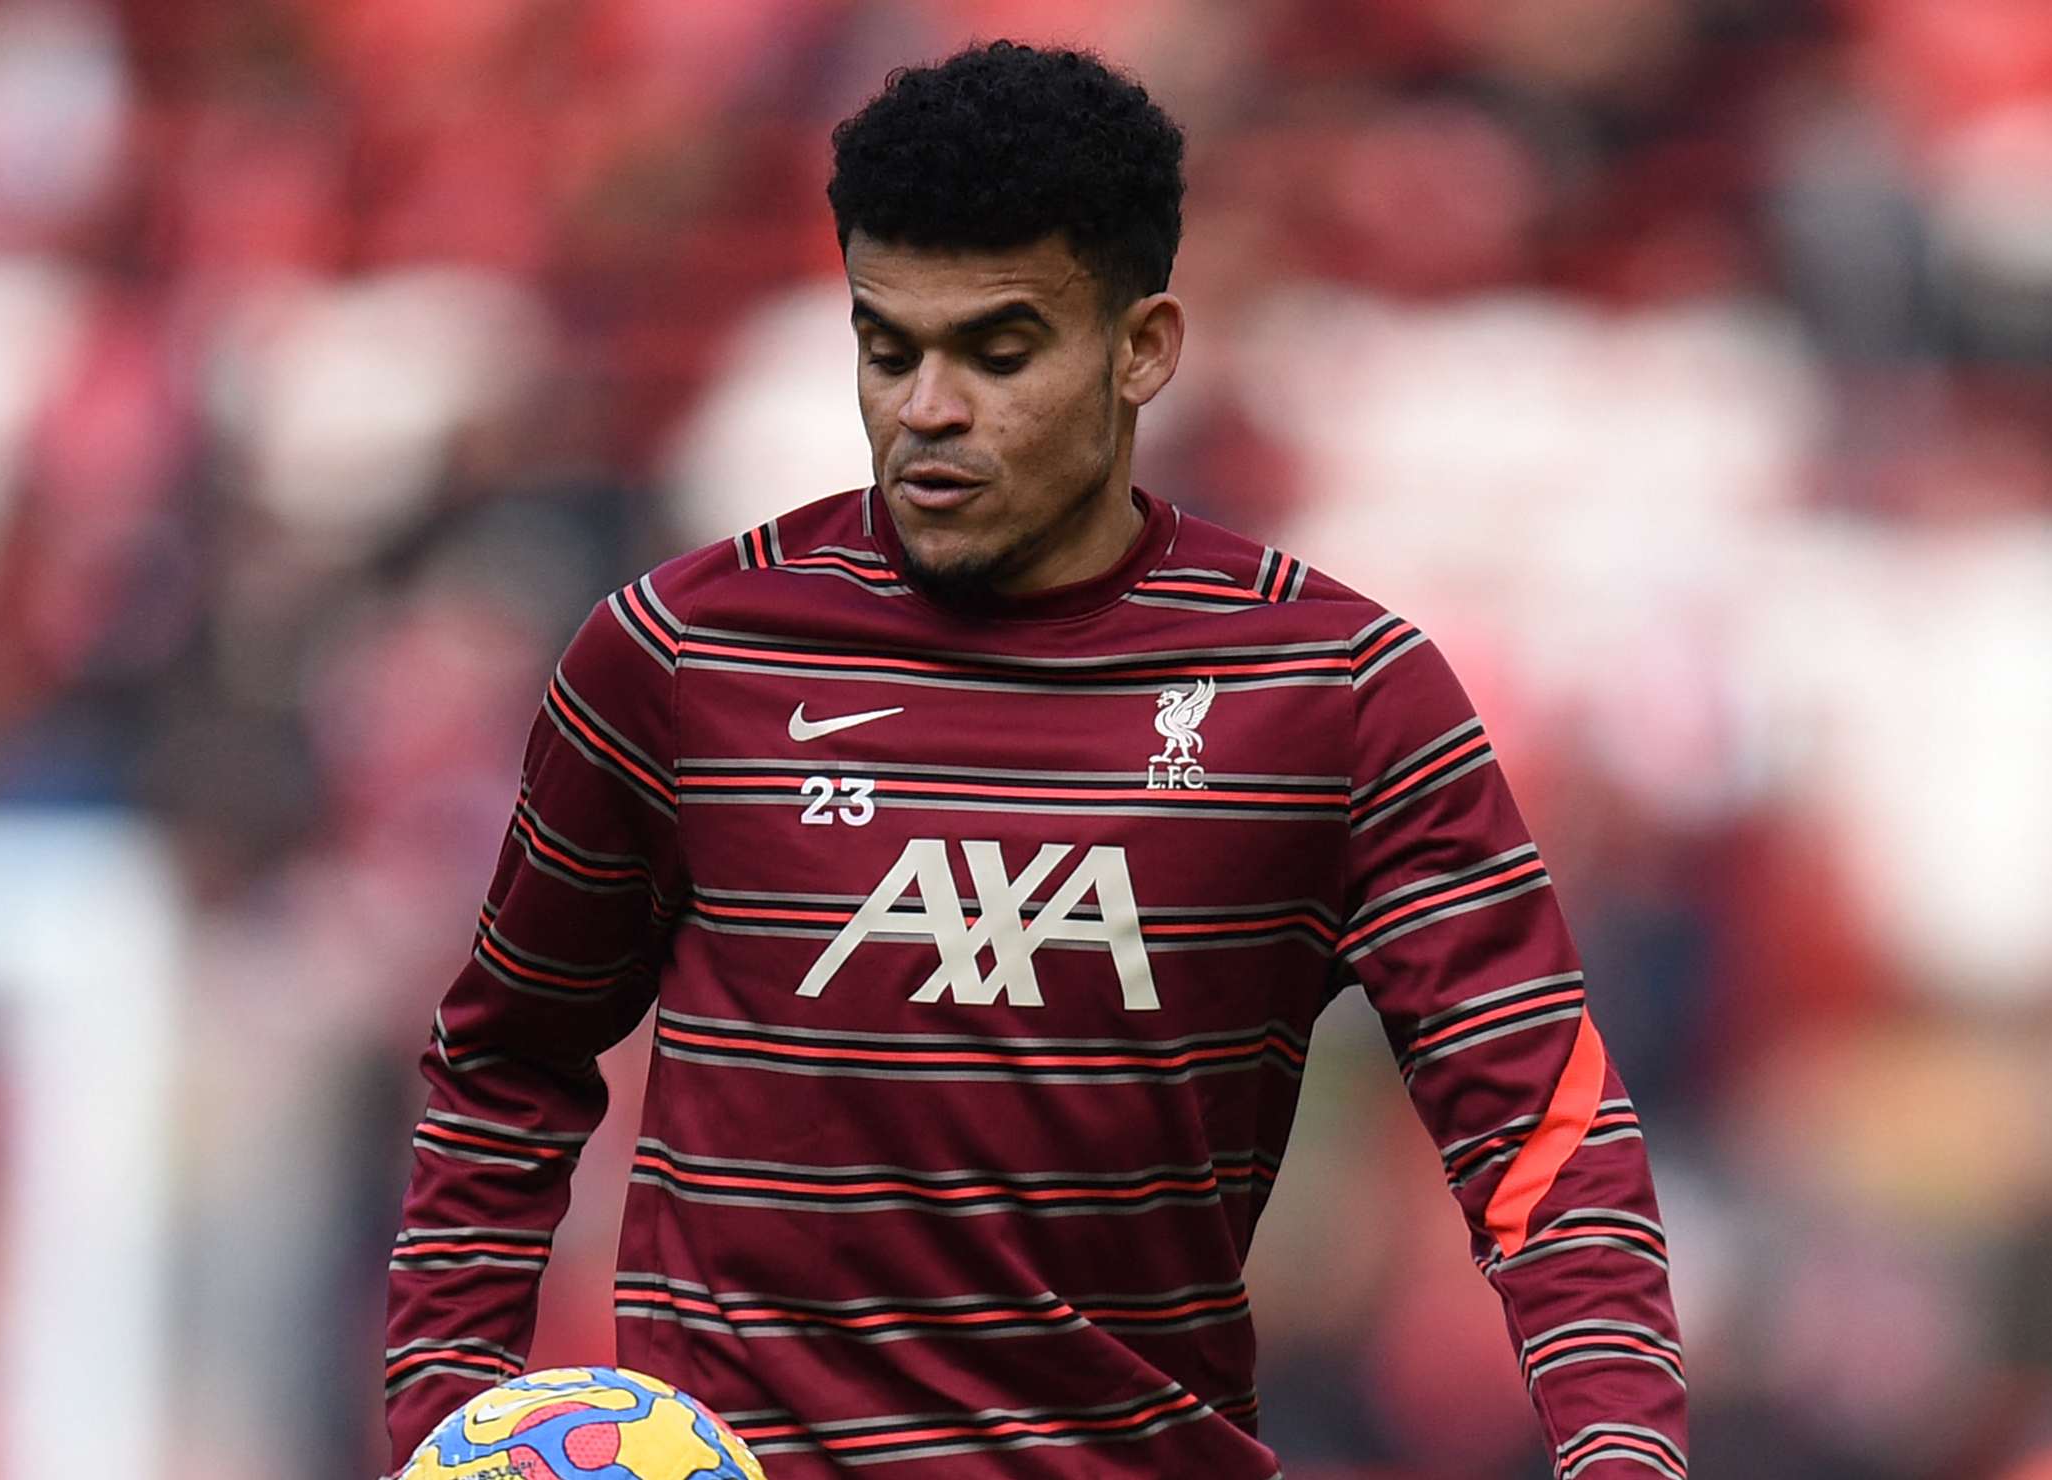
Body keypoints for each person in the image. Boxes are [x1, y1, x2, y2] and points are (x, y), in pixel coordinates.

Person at [384, 40, 1686, 1480]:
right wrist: (445, 1420)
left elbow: (1540, 1127)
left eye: (999, 352)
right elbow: (506, 1064)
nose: (929, 406)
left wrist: (1622, 1452)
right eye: (889, 347)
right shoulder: (680, 658)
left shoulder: (1335, 692)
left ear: (1143, 347)